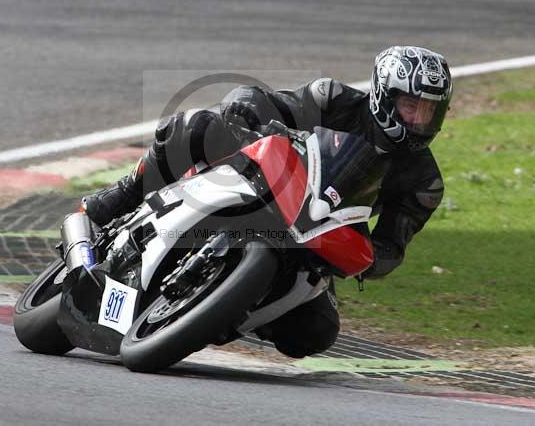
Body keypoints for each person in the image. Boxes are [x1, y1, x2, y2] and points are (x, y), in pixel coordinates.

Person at [82, 45, 453, 358]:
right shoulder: (333, 99)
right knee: (197, 127)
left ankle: (228, 308)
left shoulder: (424, 182)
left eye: (430, 111)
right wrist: (247, 110)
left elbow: (392, 246)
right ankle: (123, 196)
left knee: (316, 332)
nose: (420, 120)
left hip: (319, 231)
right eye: (411, 106)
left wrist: (366, 257)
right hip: (274, 179)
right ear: (383, 96)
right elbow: (270, 102)